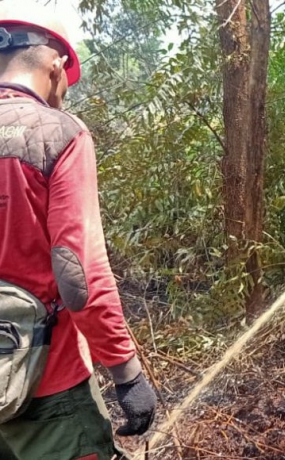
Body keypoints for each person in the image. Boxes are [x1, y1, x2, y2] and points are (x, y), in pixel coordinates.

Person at [0, 2, 156, 459]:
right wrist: (127, 375)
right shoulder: (58, 133)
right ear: (56, 64)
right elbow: (79, 275)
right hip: (48, 390)